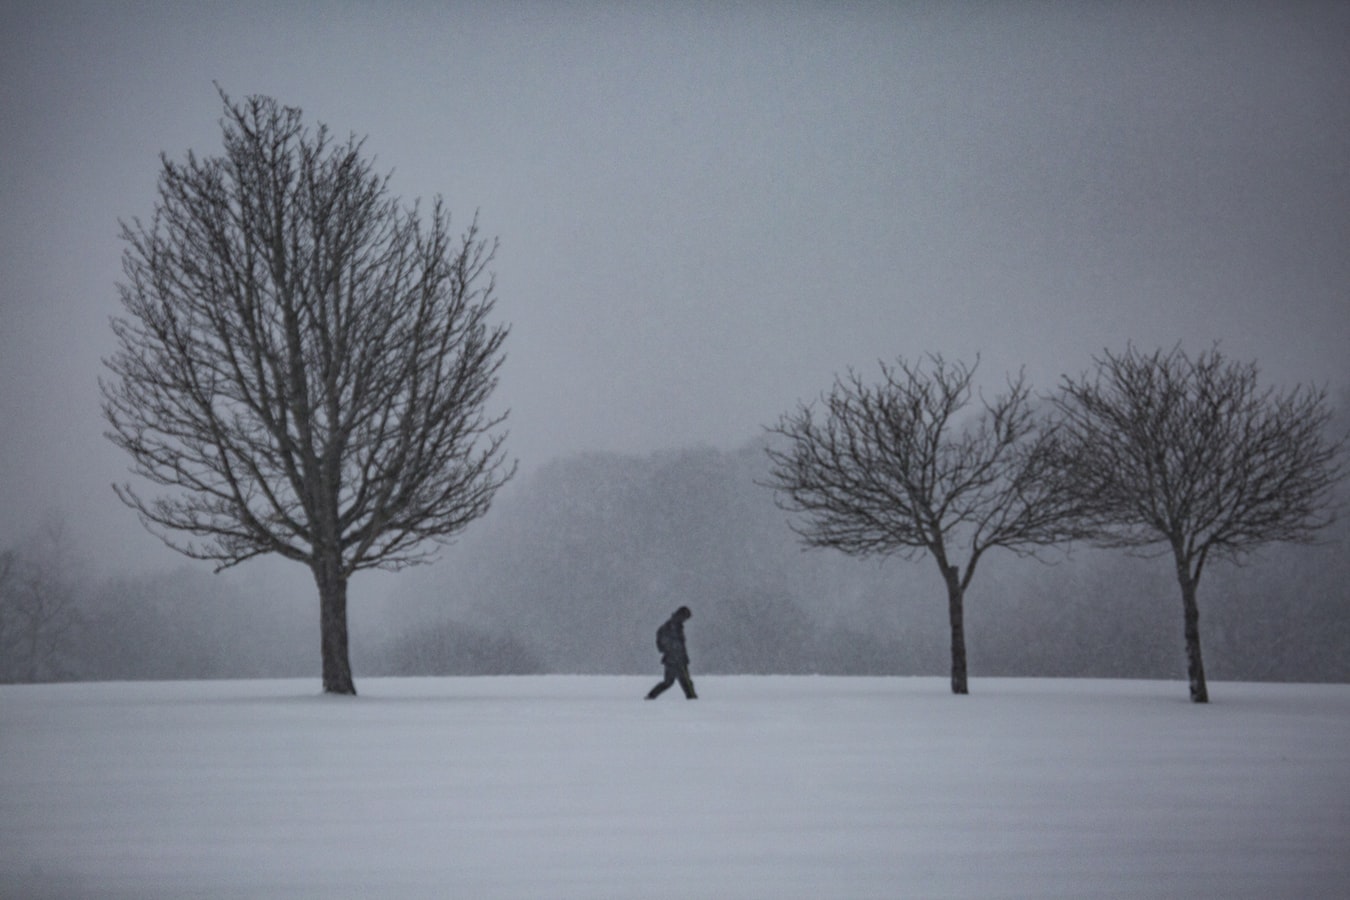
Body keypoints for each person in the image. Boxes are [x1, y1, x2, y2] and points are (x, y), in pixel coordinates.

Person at [645, 606, 697, 699]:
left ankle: (651, 696)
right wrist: (677, 655)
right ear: (682, 615)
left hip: (671, 659)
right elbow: (672, 644)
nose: (686, 620)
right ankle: (693, 700)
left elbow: (663, 643)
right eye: (686, 617)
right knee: (685, 682)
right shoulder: (673, 626)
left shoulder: (672, 625)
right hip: (676, 659)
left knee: (668, 682)